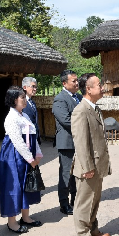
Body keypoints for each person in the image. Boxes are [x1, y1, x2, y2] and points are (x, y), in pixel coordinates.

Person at [71, 73, 112, 236]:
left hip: (97, 164)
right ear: (88, 89)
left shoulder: (95, 108)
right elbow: (80, 142)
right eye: (98, 85)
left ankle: (93, 229)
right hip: (87, 166)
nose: (102, 87)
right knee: (84, 202)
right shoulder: (80, 111)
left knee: (94, 200)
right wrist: (87, 167)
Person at [0, 85, 43, 235]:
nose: (24, 100)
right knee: (14, 186)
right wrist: (30, 158)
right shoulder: (11, 118)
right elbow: (17, 141)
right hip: (14, 155)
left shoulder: (24, 115)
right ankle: (12, 222)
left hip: (26, 154)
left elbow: (33, 135)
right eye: (22, 97)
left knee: (26, 184)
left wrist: (37, 154)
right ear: (13, 100)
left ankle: (26, 217)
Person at [52, 69, 82, 216]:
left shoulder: (79, 97)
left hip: (79, 142)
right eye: (74, 81)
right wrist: (84, 125)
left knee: (77, 173)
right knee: (65, 174)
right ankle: (64, 204)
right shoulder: (60, 99)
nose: (77, 83)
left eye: (77, 80)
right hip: (67, 142)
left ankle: (75, 200)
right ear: (64, 83)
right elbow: (66, 120)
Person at [22, 76, 41, 145]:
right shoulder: (20, 103)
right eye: (33, 86)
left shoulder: (32, 102)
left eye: (36, 87)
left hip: (34, 137)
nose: (35, 89)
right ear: (25, 87)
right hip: (26, 139)